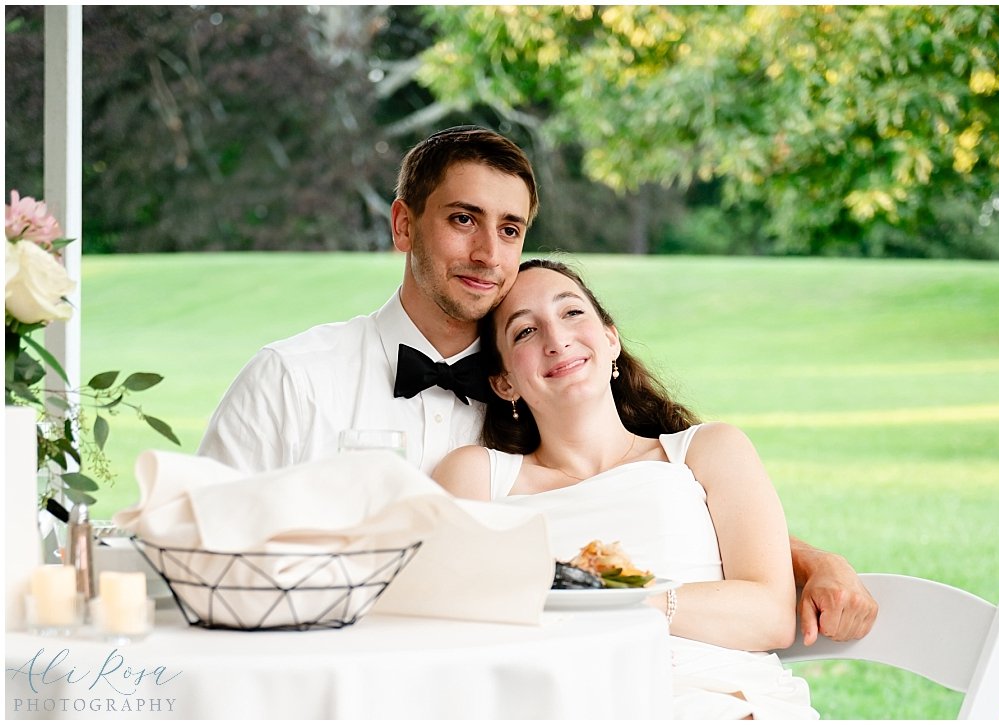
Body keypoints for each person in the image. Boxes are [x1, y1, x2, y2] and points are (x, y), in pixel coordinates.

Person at [198, 125, 877, 647]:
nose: (488, 253)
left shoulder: (539, 394)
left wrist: (811, 559)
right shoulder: (292, 378)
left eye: (510, 229)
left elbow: (641, 499)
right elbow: (193, 535)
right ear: (404, 225)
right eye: (463, 219)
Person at [432, 258, 815, 718]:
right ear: (504, 381)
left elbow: (771, 616)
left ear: (610, 338)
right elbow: (446, 624)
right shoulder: (477, 477)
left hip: (716, 700)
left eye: (572, 313)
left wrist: (622, 598)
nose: (557, 340)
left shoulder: (705, 451)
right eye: (525, 332)